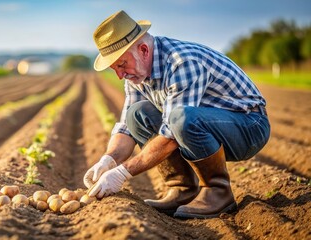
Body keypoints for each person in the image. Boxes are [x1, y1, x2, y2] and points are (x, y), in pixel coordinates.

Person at [84, 10, 270, 219]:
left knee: (181, 118)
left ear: (144, 50)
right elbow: (127, 127)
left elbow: (171, 135)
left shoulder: (182, 62)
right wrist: (108, 160)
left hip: (249, 126)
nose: (120, 75)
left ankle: (218, 192)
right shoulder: (135, 74)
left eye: (121, 65)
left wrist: (122, 173)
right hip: (212, 126)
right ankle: (183, 189)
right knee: (137, 114)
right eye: (114, 69)